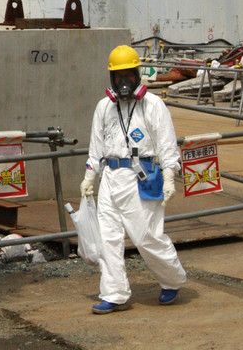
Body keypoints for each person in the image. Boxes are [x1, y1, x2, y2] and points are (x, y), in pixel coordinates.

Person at [81, 44, 186, 314]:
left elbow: (166, 145)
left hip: (141, 176)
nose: (123, 81)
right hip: (111, 178)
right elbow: (96, 147)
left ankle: (172, 279)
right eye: (118, 76)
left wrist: (169, 177)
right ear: (111, 79)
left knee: (146, 237)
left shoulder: (153, 105)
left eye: (128, 75)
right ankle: (114, 293)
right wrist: (89, 177)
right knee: (108, 239)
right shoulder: (104, 107)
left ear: (137, 75)